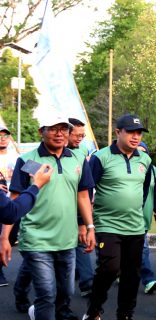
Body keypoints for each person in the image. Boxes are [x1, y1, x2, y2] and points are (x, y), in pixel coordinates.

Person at [1, 113, 96, 320]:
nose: (59, 133)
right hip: (36, 238)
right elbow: (15, 198)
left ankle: (57, 310)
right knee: (47, 294)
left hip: (67, 239)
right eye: (53, 128)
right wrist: (5, 237)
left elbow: (83, 195)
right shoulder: (28, 161)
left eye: (64, 129)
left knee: (66, 291)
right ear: (41, 132)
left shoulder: (78, 158)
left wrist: (89, 227)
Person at [84, 114, 153, 320]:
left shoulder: (145, 159)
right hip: (107, 225)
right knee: (109, 269)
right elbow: (86, 192)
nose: (135, 137)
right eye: (130, 132)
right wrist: (87, 225)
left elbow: (143, 191)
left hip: (135, 226)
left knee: (132, 275)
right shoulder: (101, 157)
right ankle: (94, 309)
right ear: (117, 133)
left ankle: (125, 314)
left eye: (139, 133)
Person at [67, 118, 96, 297]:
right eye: (76, 135)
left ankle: (87, 283)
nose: (80, 139)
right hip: (49, 218)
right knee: (40, 256)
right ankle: (21, 290)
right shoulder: (37, 157)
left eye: (82, 136)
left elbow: (84, 190)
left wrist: (84, 222)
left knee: (81, 243)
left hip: (76, 210)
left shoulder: (81, 154)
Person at [137, 142, 156, 295]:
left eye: (144, 152)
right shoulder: (130, 170)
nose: (141, 155)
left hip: (145, 215)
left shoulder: (153, 170)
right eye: (138, 152)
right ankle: (148, 280)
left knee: (139, 248)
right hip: (130, 216)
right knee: (143, 248)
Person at [0, 124, 18, 287]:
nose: (2, 138)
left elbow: (34, 173)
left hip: (13, 204)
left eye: (5, 135)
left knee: (10, 238)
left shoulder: (16, 157)